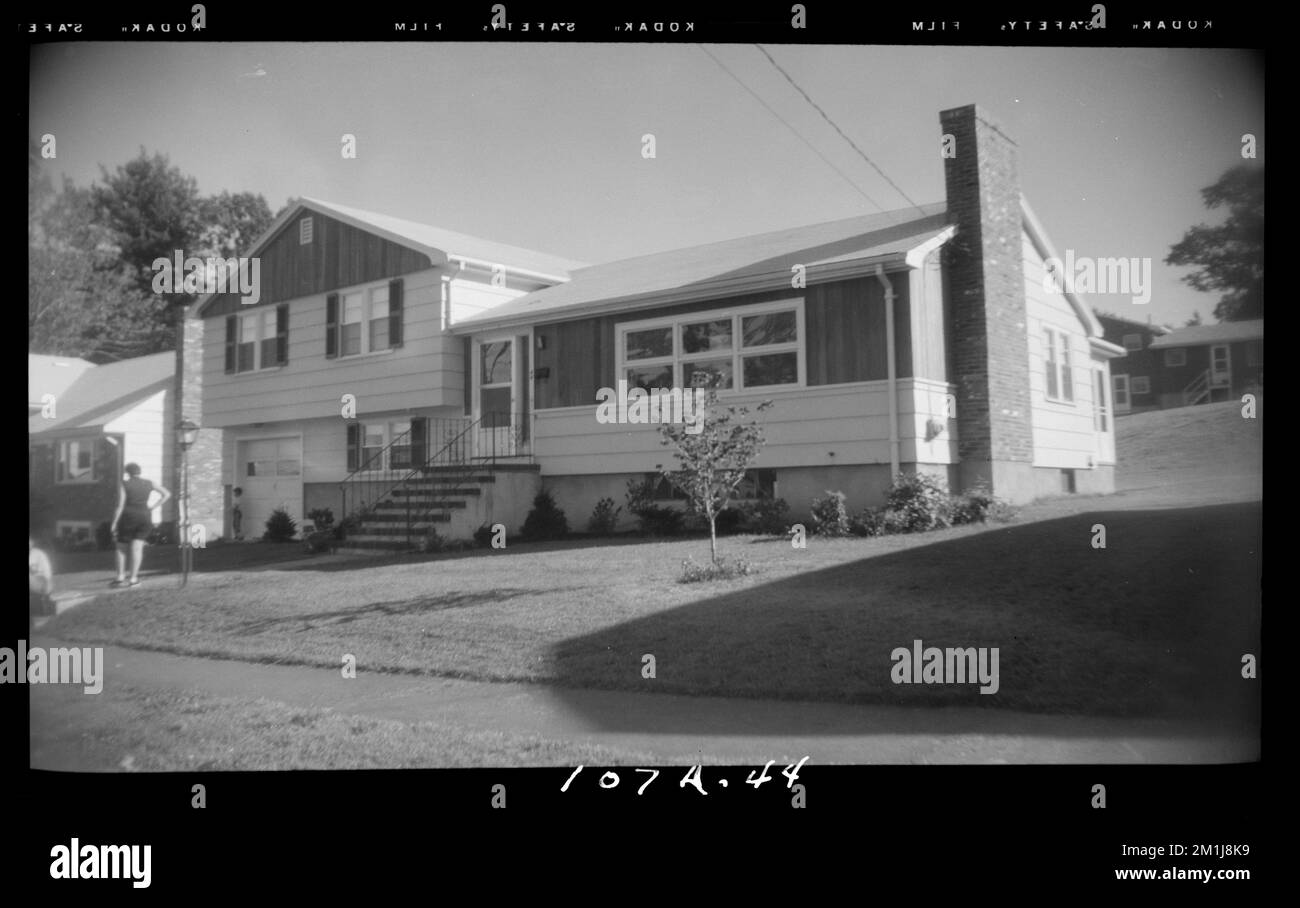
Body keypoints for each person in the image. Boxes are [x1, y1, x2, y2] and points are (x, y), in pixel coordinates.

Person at [111, 463, 172, 588]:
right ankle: (133, 579)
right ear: (139, 472)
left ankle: (120, 577)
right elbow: (166, 494)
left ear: (127, 472)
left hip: (128, 517)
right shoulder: (149, 483)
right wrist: (154, 507)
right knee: (137, 548)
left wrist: (114, 522)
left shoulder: (125, 484)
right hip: (144, 516)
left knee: (121, 547)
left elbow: (120, 505)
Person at [29, 536, 55, 616]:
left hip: (41, 582)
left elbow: (47, 571)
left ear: (32, 543)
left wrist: (47, 586)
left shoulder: (39, 554)